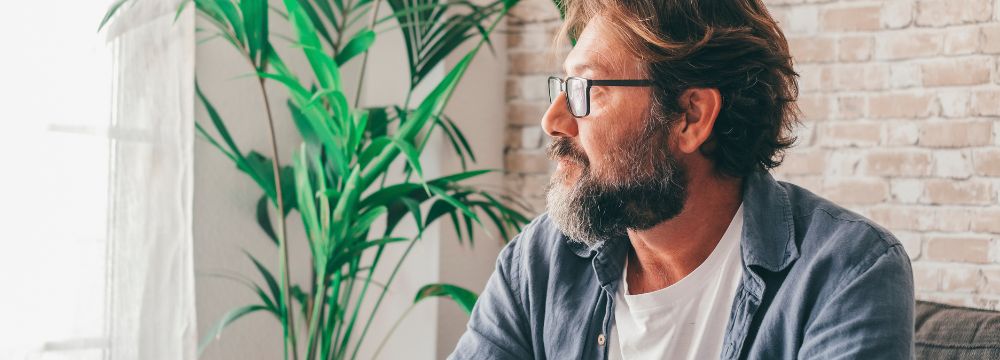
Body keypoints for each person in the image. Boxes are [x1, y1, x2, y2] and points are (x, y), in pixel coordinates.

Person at [450, 0, 914, 359]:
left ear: (691, 116)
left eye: (587, 90)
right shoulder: (540, 263)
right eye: (563, 88)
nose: (554, 120)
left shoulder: (846, 272)